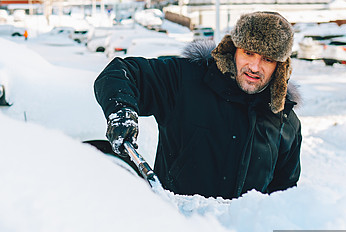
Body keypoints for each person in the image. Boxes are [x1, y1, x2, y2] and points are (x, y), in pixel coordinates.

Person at [93, 11, 301, 200]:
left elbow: (282, 199)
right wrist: (122, 112)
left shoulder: (285, 123)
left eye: (267, 59)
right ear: (233, 50)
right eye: (248, 53)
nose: (254, 67)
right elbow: (123, 73)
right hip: (179, 228)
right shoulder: (186, 81)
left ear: (280, 66)